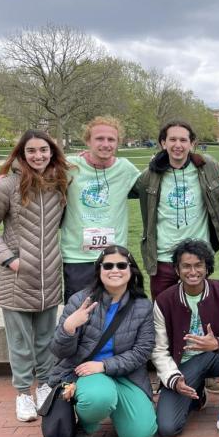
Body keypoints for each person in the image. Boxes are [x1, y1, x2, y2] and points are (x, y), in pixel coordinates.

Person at [0, 130, 71, 422]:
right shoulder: (7, 186)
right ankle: (22, 393)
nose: (38, 156)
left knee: (45, 339)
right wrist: (9, 259)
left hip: (49, 278)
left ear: (52, 152)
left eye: (43, 150)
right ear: (21, 154)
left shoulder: (60, 183)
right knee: (20, 342)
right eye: (31, 151)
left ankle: (44, 386)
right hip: (16, 278)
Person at [48, 245, 157, 437]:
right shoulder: (81, 300)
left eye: (121, 265)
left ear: (131, 269)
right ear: (99, 270)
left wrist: (105, 365)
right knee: (98, 398)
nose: (114, 270)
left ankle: (116, 406)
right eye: (108, 265)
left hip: (126, 375)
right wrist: (69, 327)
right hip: (87, 373)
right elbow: (59, 351)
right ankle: (85, 428)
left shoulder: (142, 306)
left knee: (140, 435)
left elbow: (143, 351)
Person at [151, 239, 219, 437]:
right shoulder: (164, 301)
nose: (193, 271)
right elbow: (158, 350)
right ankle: (196, 392)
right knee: (167, 428)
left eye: (198, 265)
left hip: (217, 356)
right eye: (186, 266)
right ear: (177, 269)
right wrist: (173, 378)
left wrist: (218, 343)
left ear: (207, 267)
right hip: (184, 365)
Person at [136, 120, 219, 299]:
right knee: (162, 313)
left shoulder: (207, 167)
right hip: (164, 257)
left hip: (198, 256)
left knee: (200, 311)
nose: (178, 145)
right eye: (172, 140)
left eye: (183, 140)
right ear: (163, 143)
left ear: (192, 143)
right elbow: (125, 187)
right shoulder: (150, 175)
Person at [60, 116, 140, 302]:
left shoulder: (125, 169)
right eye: (99, 139)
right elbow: (34, 169)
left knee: (115, 315)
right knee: (79, 314)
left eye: (111, 139)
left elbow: (152, 186)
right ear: (88, 141)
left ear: (118, 142)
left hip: (114, 257)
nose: (105, 144)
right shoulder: (69, 166)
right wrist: (6, 175)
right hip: (77, 257)